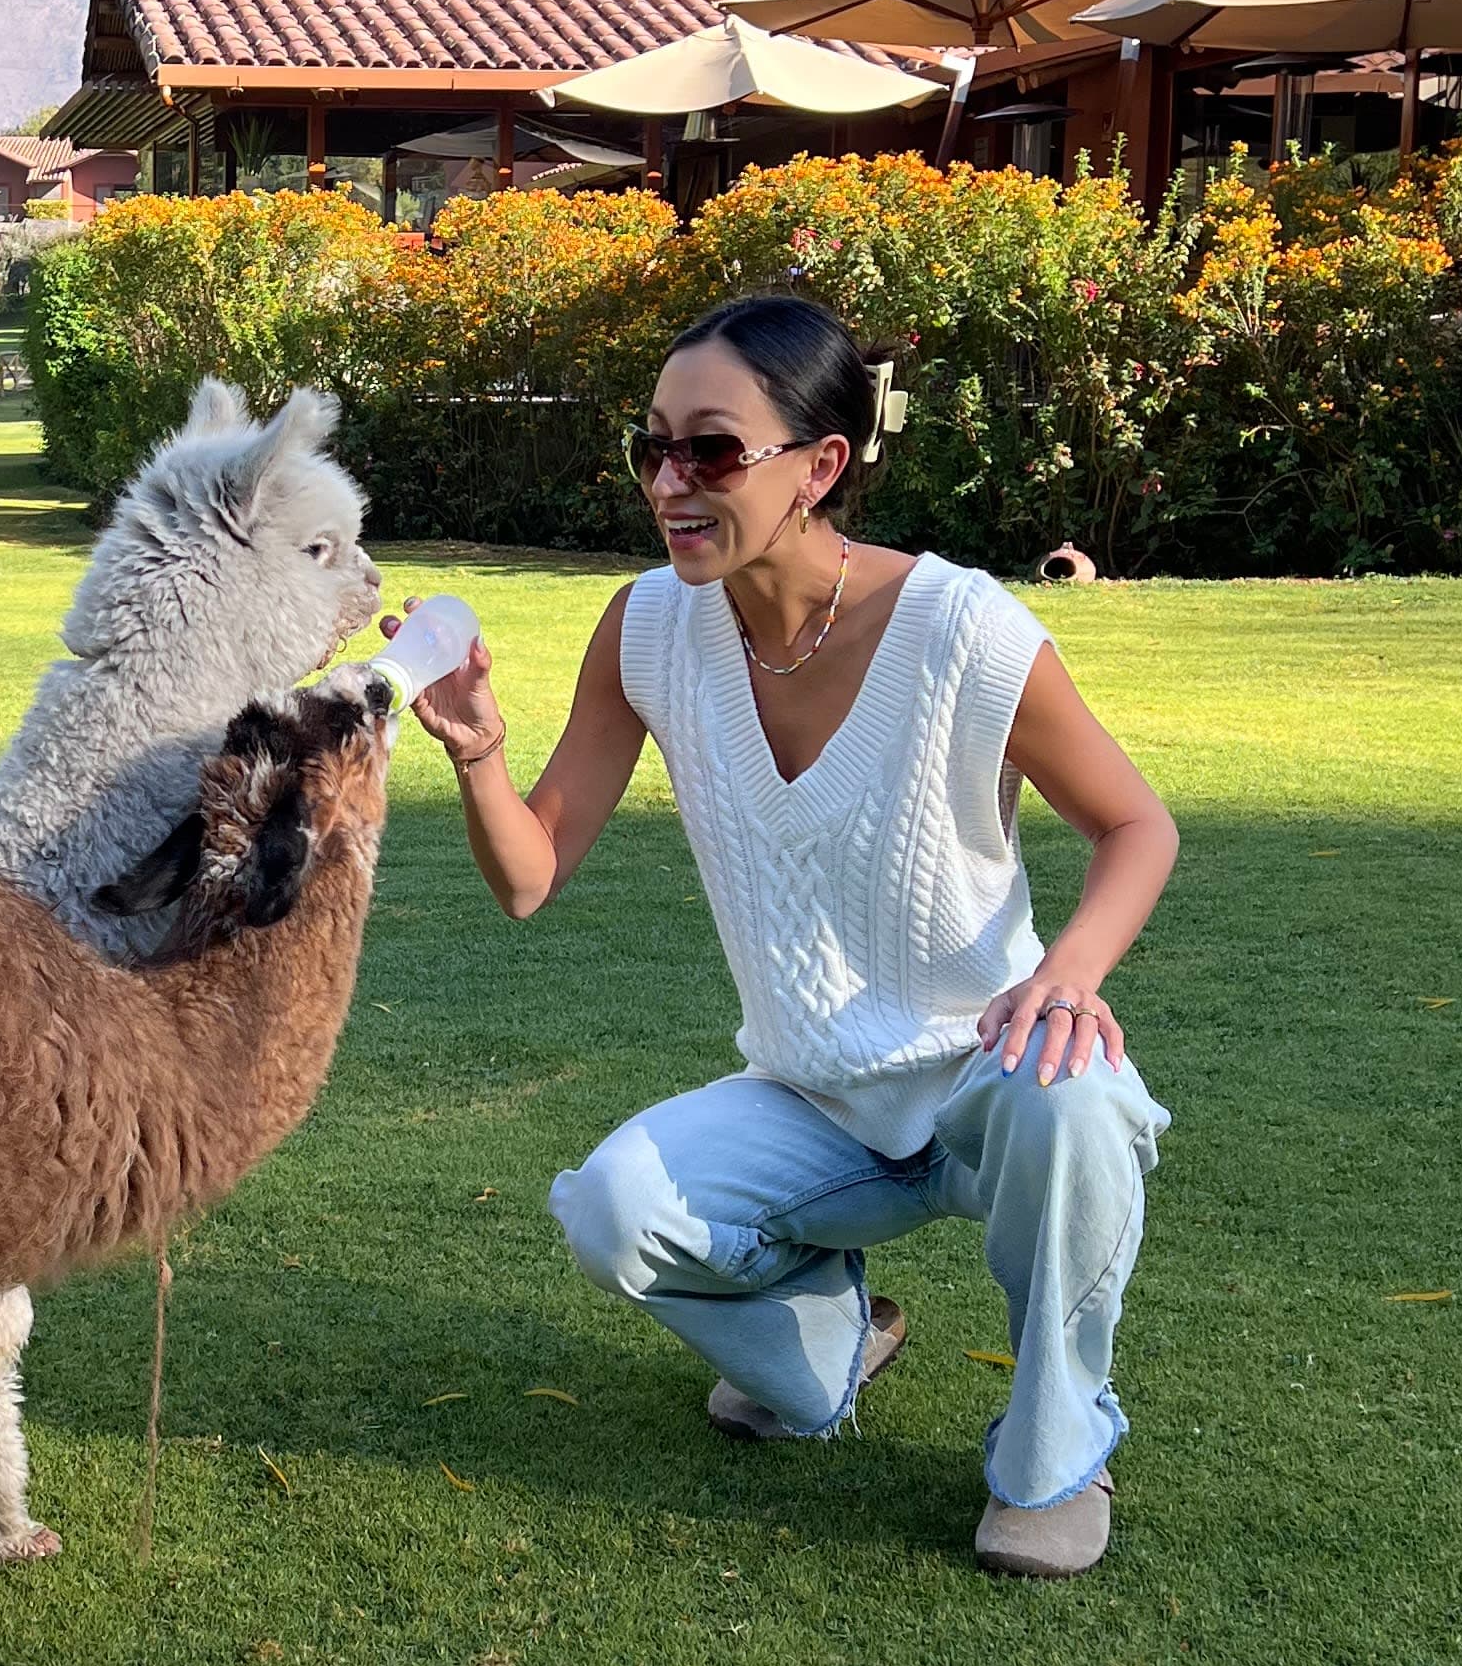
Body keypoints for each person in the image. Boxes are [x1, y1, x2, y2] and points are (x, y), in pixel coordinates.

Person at [399, 294, 1177, 1579]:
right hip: (814, 1100)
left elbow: (1135, 826)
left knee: (1076, 1104)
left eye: (710, 451)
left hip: (989, 1075)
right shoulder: (650, 627)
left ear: (822, 466)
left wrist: (1067, 974)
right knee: (613, 1210)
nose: (668, 482)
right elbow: (530, 877)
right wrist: (479, 755)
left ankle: (1056, 1454)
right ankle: (833, 1336)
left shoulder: (960, 629)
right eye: (651, 447)